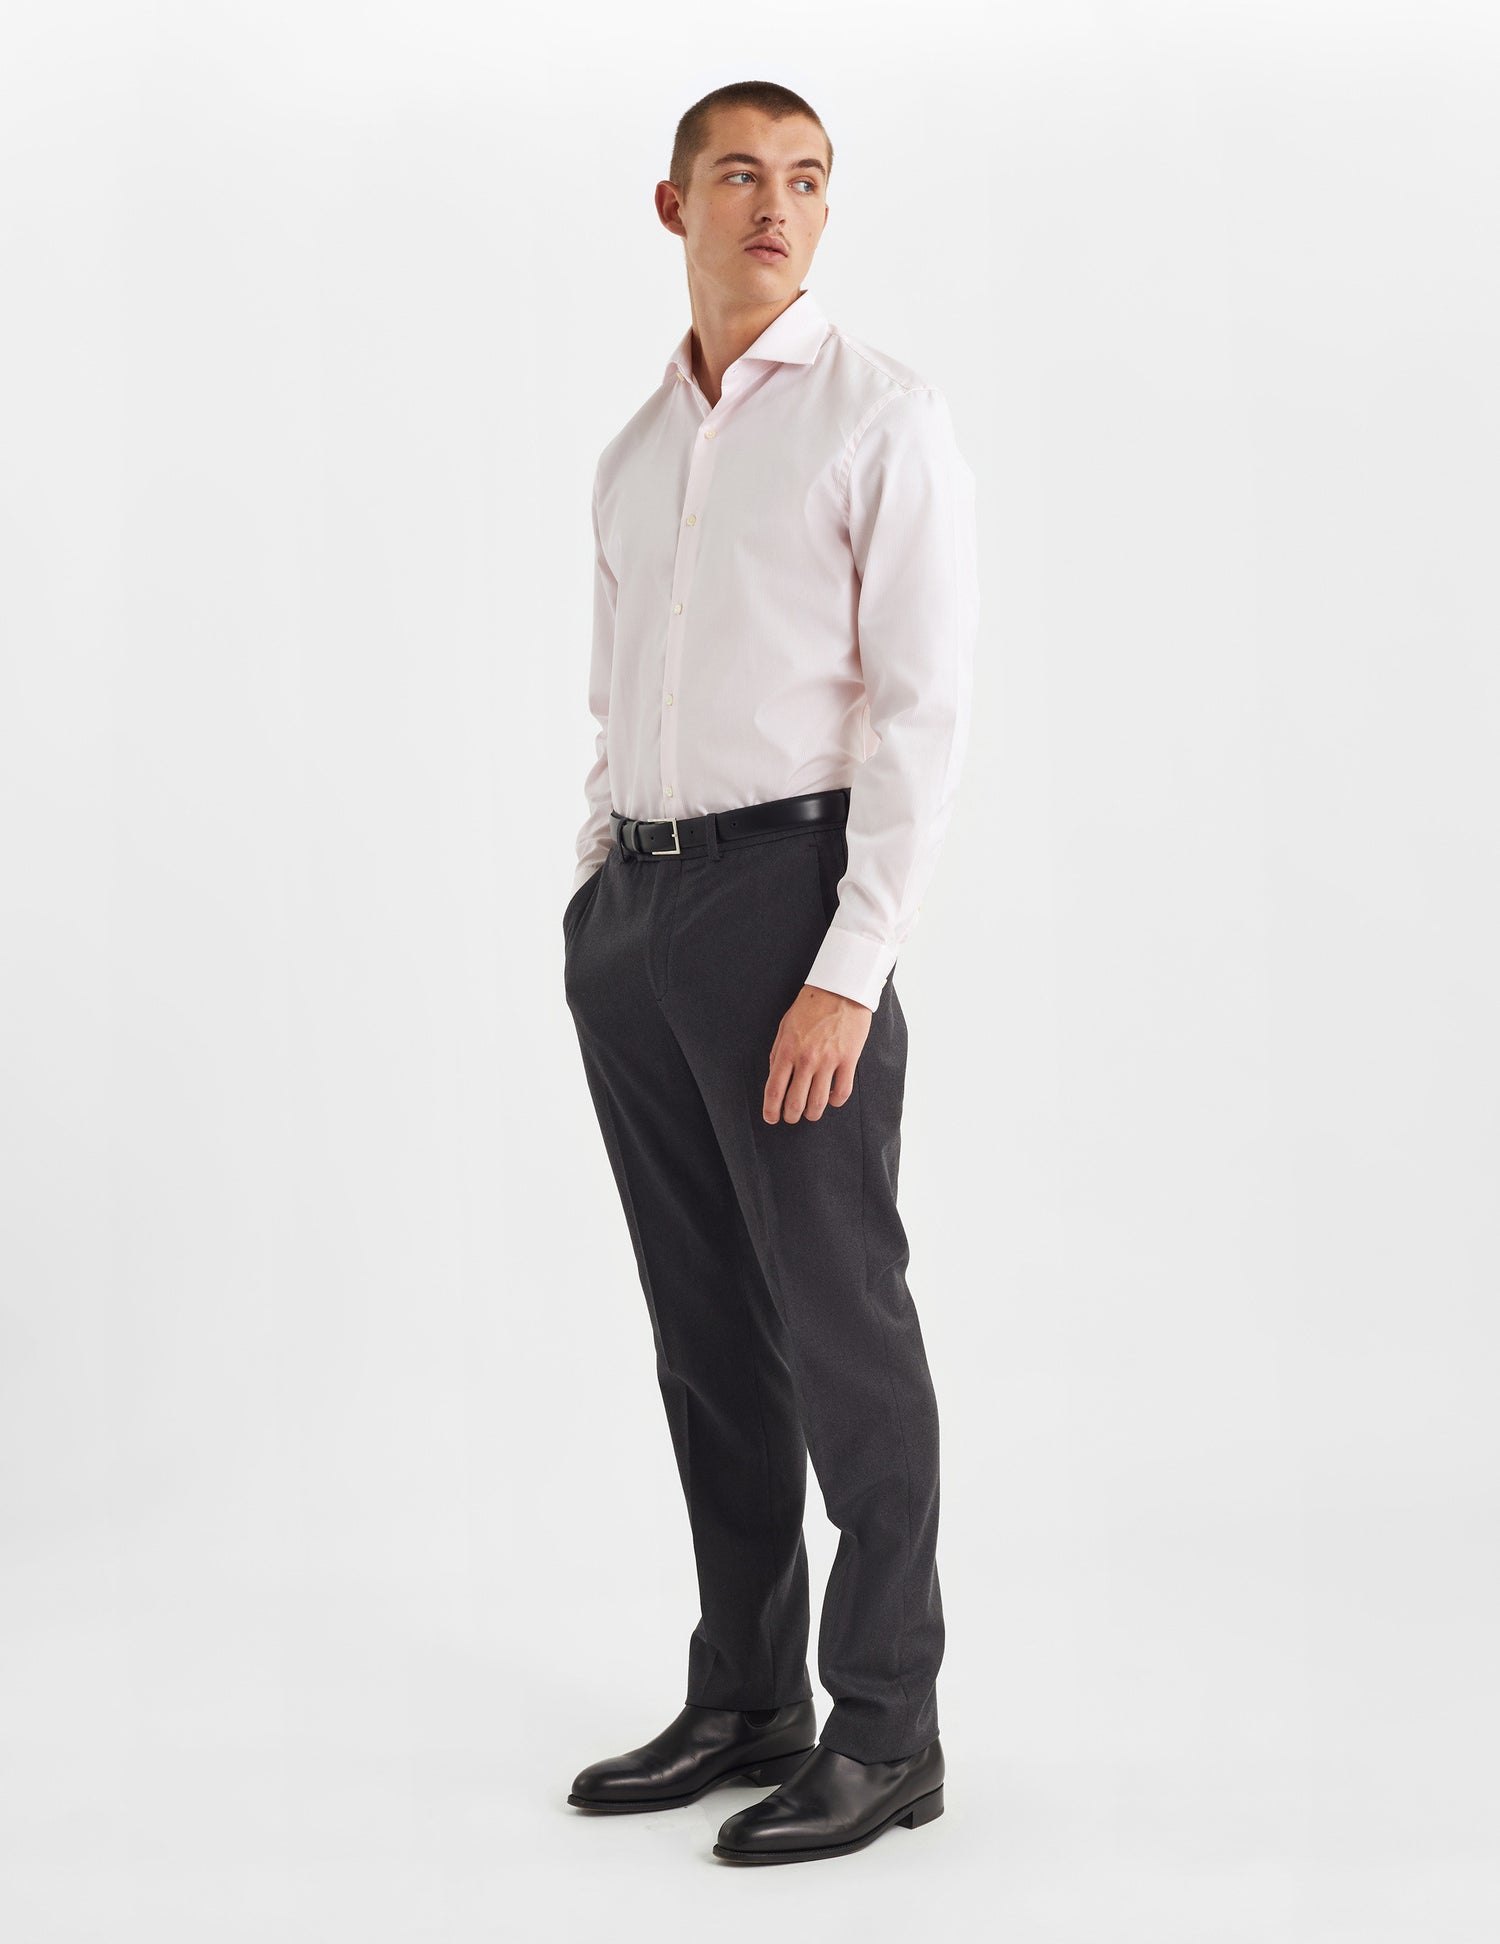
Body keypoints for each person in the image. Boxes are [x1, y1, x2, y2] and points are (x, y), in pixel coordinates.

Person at [560, 79, 979, 1866]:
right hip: (640, 914)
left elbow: (922, 715)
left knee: (840, 1321)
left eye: (805, 179)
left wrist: (850, 964)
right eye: (739, 175)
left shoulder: (882, 416)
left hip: (792, 905)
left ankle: (888, 1727)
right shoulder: (636, 449)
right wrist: (596, 888)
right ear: (674, 205)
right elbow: (616, 693)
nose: (774, 207)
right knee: (706, 1330)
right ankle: (745, 1693)